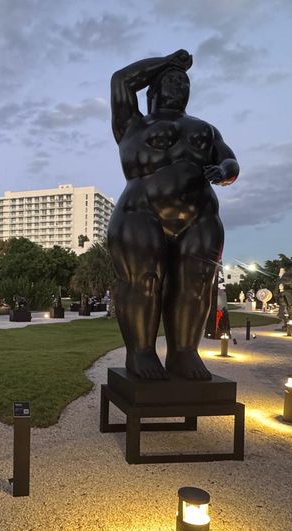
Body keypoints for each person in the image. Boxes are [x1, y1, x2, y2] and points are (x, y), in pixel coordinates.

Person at [107, 49, 238, 380]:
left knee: (196, 284)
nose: (180, 85)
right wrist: (169, 62)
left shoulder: (205, 129)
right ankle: (141, 352)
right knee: (142, 281)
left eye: (184, 82)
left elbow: (229, 159)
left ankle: (184, 352)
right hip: (142, 210)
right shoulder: (132, 124)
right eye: (172, 80)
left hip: (199, 214)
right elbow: (121, 80)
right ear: (152, 90)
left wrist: (225, 170)